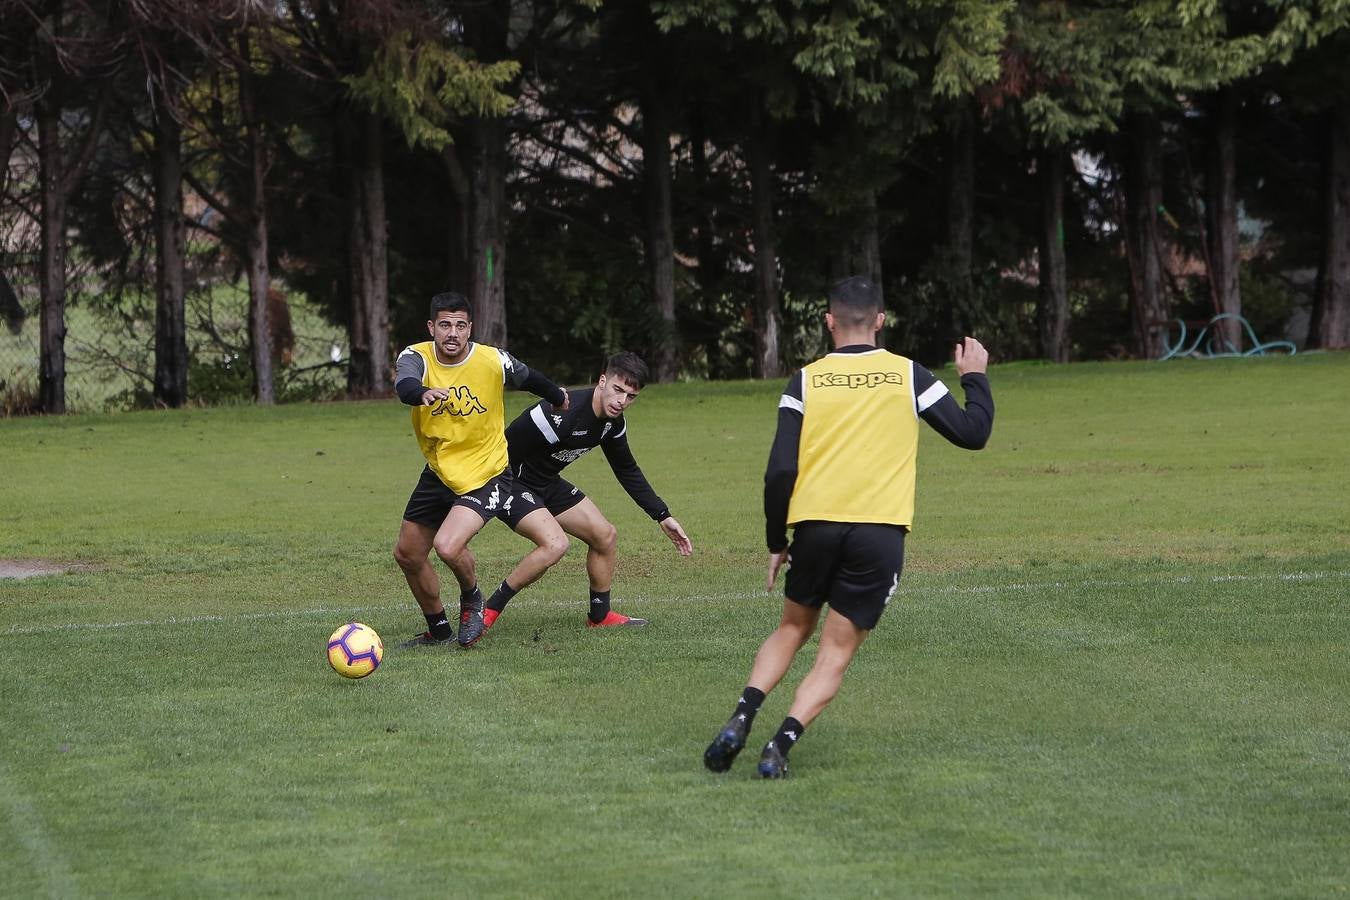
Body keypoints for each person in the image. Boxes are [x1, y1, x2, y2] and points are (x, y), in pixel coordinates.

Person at [702, 275, 994, 778]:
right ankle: (778, 747)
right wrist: (974, 376)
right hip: (878, 532)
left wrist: (778, 540)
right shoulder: (909, 375)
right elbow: (973, 433)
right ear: (880, 320)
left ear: (829, 321)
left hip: (815, 527)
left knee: (792, 627)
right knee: (835, 650)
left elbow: (779, 472)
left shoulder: (806, 380)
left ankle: (741, 718)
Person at [455, 351, 693, 645]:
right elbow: (504, 446)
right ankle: (488, 611)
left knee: (605, 535)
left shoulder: (612, 423)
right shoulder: (558, 413)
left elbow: (626, 469)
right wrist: (488, 495)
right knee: (555, 545)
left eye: (631, 396)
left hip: (546, 483)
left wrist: (662, 515)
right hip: (510, 482)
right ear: (603, 381)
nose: (622, 401)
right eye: (618, 390)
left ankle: (600, 616)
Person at [392, 291, 571, 649]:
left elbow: (528, 377)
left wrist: (556, 395)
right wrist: (421, 394)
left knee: (446, 546)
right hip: (440, 471)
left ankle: (472, 596)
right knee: (408, 555)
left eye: (460, 325)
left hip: (487, 474)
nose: (452, 333)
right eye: (444, 325)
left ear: (470, 328)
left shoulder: (492, 360)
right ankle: (439, 630)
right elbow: (405, 384)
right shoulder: (416, 356)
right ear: (432, 328)